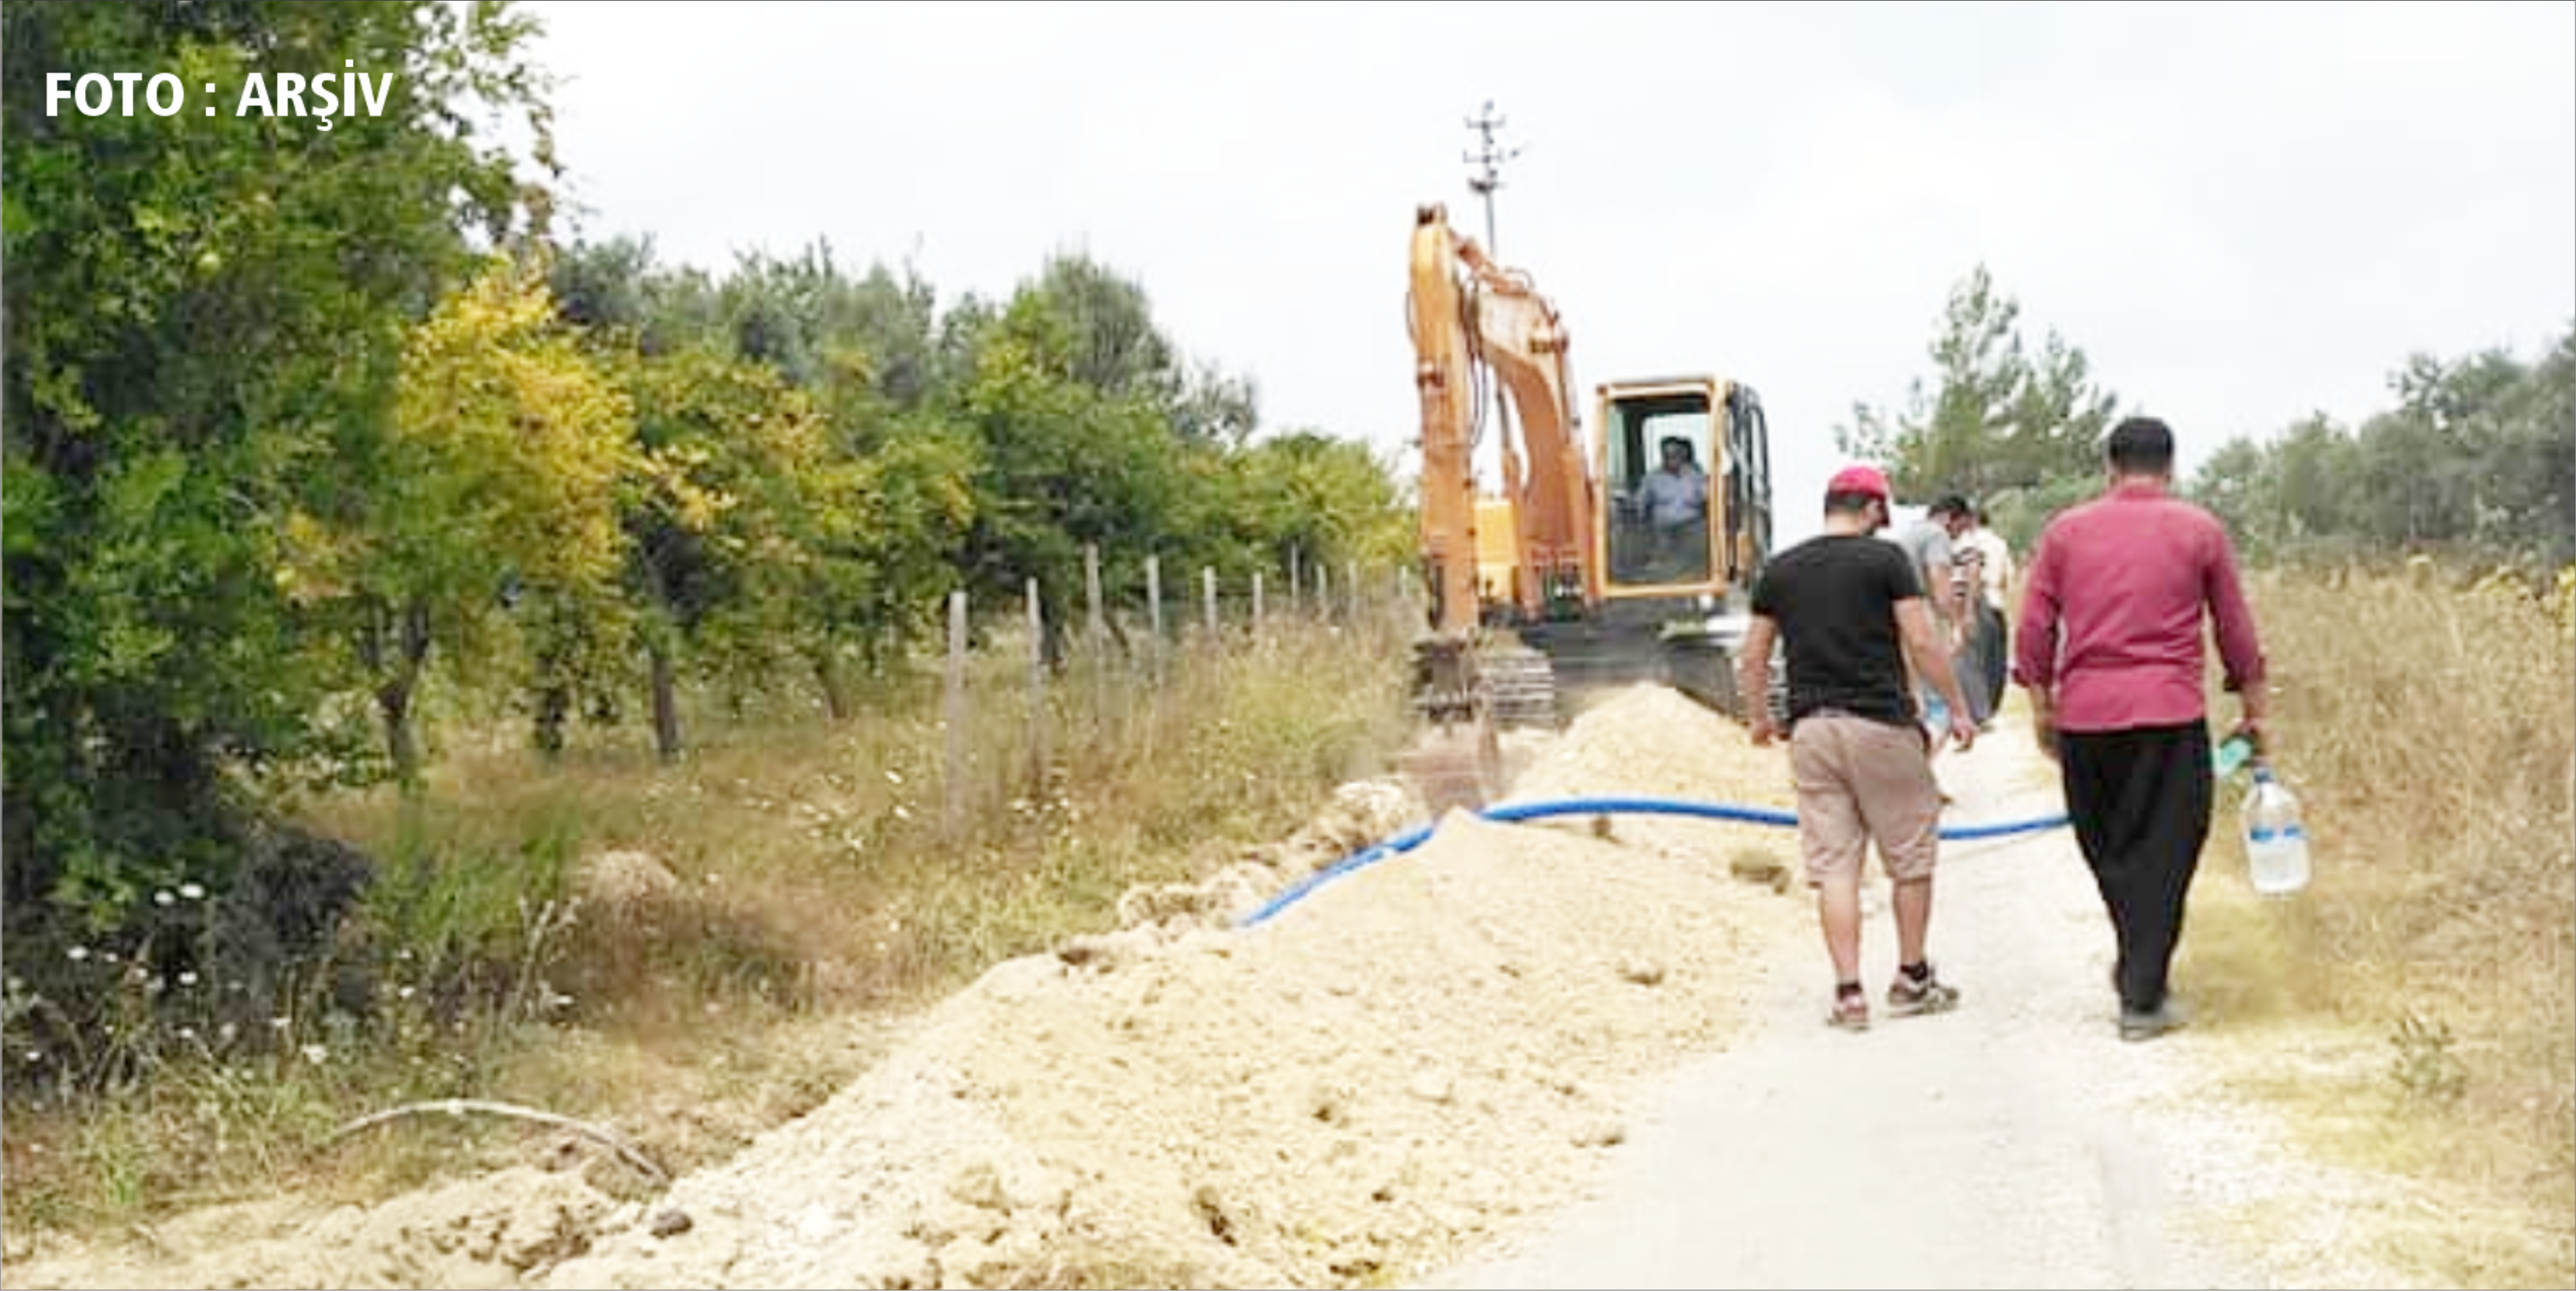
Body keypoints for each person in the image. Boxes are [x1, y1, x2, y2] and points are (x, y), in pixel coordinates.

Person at [2013, 416, 2269, 1043]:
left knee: (2111, 845)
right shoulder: (2199, 529)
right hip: (2168, 712)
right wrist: (2256, 706)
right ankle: (2143, 991)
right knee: (2170, 844)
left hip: (2089, 714)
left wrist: (2042, 707)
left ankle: (2140, 971)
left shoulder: (2066, 532)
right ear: (2171, 467)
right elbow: (2234, 626)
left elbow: (2035, 626)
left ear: (2110, 467)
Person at [1740, 463, 1979, 1031]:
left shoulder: (1781, 569)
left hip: (1812, 731)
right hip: (1880, 726)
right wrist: (1960, 708)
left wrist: (1758, 717)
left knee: (1835, 866)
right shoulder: (1886, 561)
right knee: (1909, 855)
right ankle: (1912, 976)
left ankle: (1849, 993)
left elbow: (1753, 656)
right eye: (1882, 513)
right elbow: (1921, 639)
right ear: (1872, 509)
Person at [1892, 494, 1986, 733]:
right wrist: (1957, 624)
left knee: (1917, 696)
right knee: (1938, 701)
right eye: (1958, 528)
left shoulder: (1908, 535)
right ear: (1947, 518)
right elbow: (1940, 585)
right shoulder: (1936, 534)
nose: (1957, 536)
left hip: (1897, 619)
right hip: (1921, 615)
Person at [1958, 507, 2015, 720]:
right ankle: (1992, 706)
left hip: (1975, 603)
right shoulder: (2000, 543)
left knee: (1974, 660)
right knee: (1996, 660)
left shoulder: (1967, 543)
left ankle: (1977, 710)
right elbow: (2008, 577)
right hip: (1997, 602)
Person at [1635, 436, 1709, 574]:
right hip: (1662, 529)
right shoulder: (1651, 478)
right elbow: (1640, 505)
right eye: (1667, 454)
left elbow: (1709, 500)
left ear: (1682, 455)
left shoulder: (1696, 476)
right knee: (1658, 560)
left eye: (1675, 453)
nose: (1671, 458)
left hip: (1691, 527)